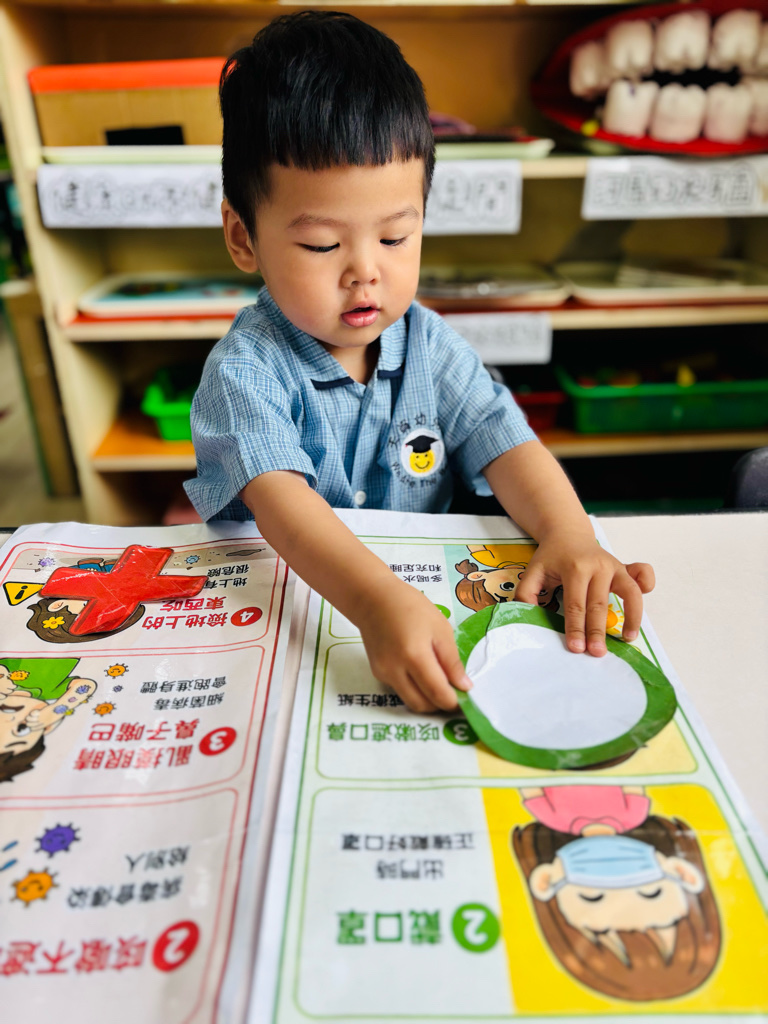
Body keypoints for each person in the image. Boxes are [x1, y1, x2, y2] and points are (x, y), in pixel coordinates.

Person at [185, 10, 654, 712]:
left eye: (396, 237)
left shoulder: (431, 344)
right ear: (242, 237)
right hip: (296, 615)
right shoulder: (244, 372)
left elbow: (505, 441)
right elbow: (284, 506)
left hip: (437, 597)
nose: (365, 273)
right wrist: (377, 601)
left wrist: (570, 533)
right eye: (322, 246)